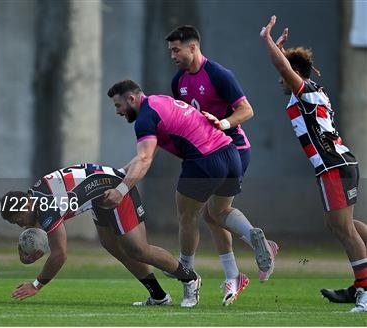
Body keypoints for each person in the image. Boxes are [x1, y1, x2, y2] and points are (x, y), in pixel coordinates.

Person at [103, 80, 275, 307]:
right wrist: (119, 173)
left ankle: (187, 275)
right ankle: (253, 236)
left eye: (118, 105)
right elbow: (143, 157)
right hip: (230, 153)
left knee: (187, 217)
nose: (117, 111)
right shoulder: (160, 100)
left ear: (131, 99)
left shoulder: (145, 118)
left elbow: (145, 159)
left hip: (204, 160)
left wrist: (122, 190)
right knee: (218, 211)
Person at [260, 15, 367, 313]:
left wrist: (267, 41)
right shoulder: (313, 90)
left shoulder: (305, 92)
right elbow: (286, 66)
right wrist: (282, 52)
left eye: (285, 74)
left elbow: (284, 68)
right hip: (339, 164)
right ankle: (361, 286)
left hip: (334, 166)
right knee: (340, 225)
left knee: (343, 228)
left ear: (295, 73)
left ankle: (365, 292)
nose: (280, 79)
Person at [165, 25, 279, 300]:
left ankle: (234, 259)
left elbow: (247, 110)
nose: (172, 56)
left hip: (233, 149)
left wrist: (223, 122)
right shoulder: (178, 81)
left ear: (193, 47)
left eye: (176, 50)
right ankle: (235, 273)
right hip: (208, 153)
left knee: (209, 212)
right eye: (170, 51)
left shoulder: (218, 74)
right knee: (212, 213)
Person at [1, 163, 198, 306]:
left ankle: (190, 278)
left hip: (112, 187)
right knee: (113, 246)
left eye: (17, 219)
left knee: (138, 249)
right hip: (97, 196)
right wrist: (25, 256)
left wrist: (36, 285)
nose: (19, 225)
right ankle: (159, 296)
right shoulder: (33, 200)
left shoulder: (46, 207)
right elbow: (38, 230)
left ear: (26, 205)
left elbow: (60, 254)